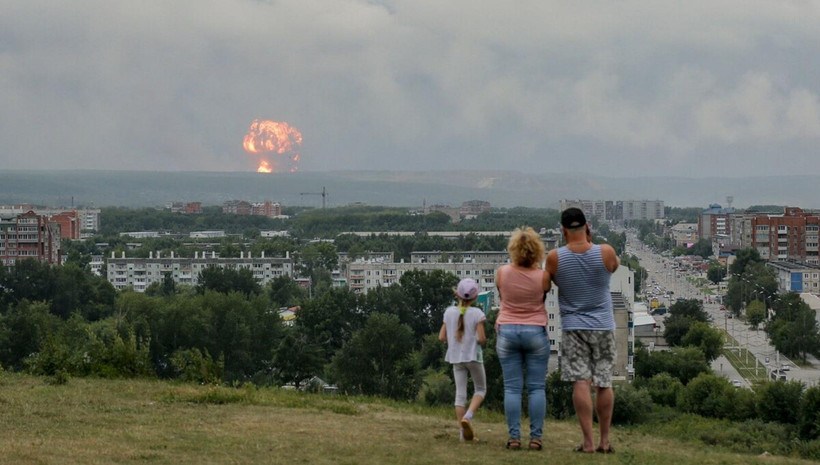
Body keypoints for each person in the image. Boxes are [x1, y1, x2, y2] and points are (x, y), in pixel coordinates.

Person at [546, 207, 619, 454]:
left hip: (573, 326)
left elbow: (552, 281)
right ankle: (605, 441)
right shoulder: (605, 251)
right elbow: (613, 267)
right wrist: (590, 241)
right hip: (603, 326)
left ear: (563, 230)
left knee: (581, 381)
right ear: (587, 226)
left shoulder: (555, 257)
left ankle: (587, 442)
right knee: (604, 382)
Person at [495, 227, 551, 451]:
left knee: (512, 389)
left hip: (507, 331)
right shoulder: (543, 276)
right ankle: (535, 438)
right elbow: (543, 295)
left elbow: (502, 294)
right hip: (535, 331)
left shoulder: (502, 273)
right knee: (537, 388)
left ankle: (514, 437)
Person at [438, 278, 487, 442]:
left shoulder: (449, 312)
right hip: (473, 356)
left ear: (457, 294)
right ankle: (469, 415)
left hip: (456, 358)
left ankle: (462, 434)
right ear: (475, 297)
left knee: (460, 395)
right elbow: (481, 338)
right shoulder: (477, 314)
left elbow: (441, 337)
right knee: (480, 389)